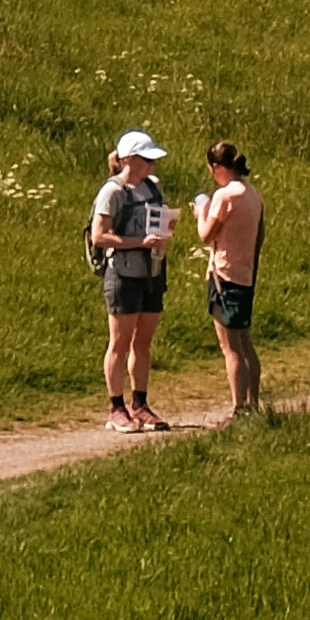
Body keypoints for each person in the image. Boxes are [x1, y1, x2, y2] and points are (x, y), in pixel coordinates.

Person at [88, 126, 173, 429]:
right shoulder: (112, 192)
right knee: (119, 343)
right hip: (123, 273)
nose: (151, 165)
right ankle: (115, 408)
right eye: (145, 159)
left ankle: (140, 404)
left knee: (143, 342)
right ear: (127, 160)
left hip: (152, 272)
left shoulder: (152, 187)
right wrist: (139, 243)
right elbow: (99, 236)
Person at [193, 135, 266, 416]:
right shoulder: (252, 194)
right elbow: (261, 234)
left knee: (230, 347)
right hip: (246, 274)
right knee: (246, 343)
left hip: (224, 275)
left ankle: (239, 407)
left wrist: (201, 210)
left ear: (217, 167)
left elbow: (205, 234)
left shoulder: (225, 196)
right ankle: (253, 404)